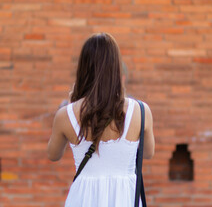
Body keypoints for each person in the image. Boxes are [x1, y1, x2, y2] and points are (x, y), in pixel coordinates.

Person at [47, 32, 155, 207]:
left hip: (83, 199)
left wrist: (73, 105)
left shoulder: (65, 115)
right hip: (125, 199)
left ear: (83, 68)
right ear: (116, 68)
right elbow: (148, 153)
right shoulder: (141, 111)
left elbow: (53, 154)